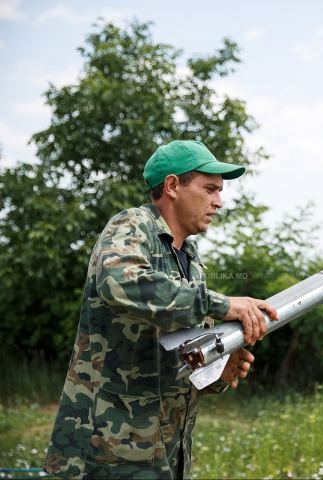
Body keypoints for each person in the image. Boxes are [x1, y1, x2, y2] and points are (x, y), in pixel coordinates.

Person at [43, 140, 278, 479]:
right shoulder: (132, 226)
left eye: (220, 191)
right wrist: (222, 304)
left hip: (166, 455)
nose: (219, 202)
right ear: (172, 186)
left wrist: (217, 371)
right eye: (210, 189)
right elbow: (119, 282)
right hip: (107, 453)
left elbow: (178, 355)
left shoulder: (191, 261)